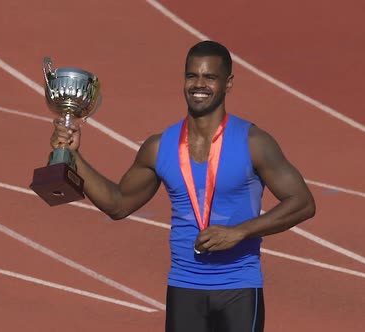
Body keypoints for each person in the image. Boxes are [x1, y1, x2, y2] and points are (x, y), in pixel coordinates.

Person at [50, 40, 316, 332]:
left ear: (228, 83)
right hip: (184, 287)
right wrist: (75, 156)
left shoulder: (253, 142)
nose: (199, 85)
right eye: (192, 76)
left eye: (209, 77)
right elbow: (118, 203)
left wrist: (241, 232)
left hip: (238, 288)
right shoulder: (159, 147)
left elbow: (302, 202)